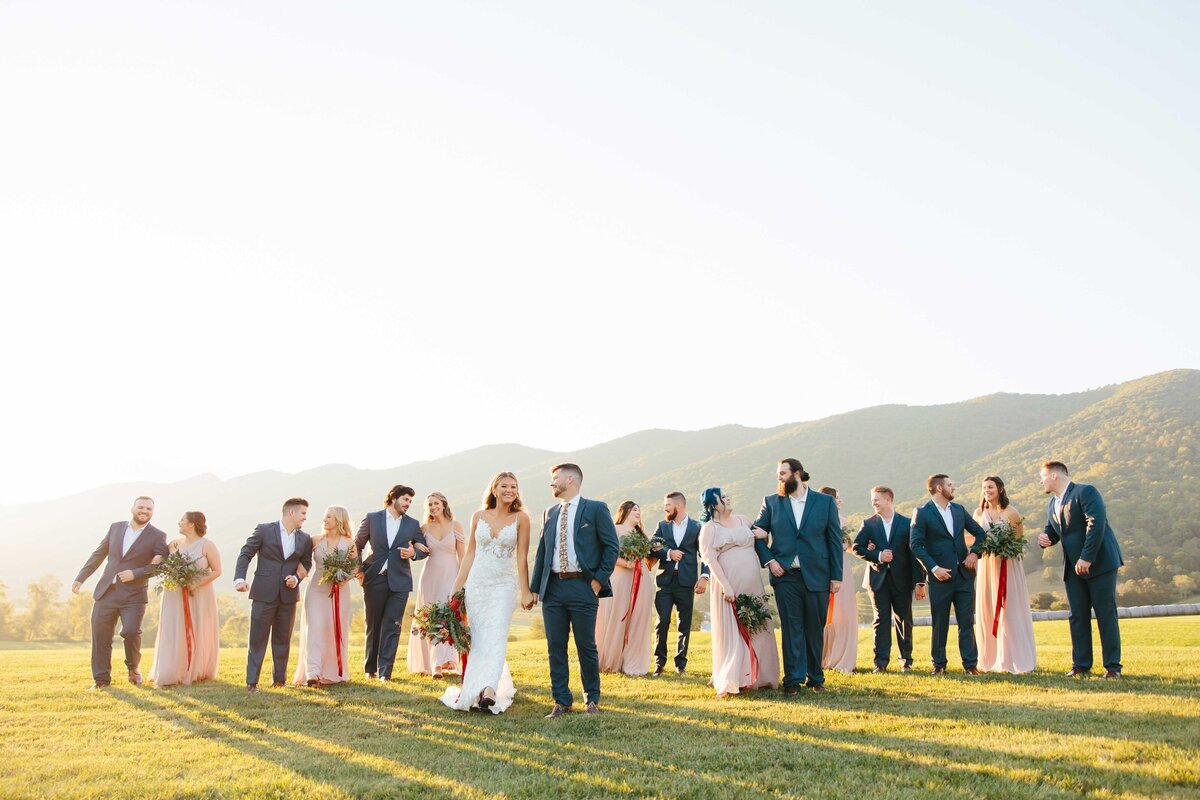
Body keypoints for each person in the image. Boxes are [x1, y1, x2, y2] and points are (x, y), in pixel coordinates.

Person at [527, 463, 619, 718]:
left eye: (554, 478)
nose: (551, 483)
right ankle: (562, 701)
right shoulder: (549, 512)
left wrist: (598, 580)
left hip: (583, 586)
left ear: (570, 479)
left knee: (585, 645)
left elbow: (612, 547)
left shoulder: (596, 509)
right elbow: (543, 552)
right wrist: (536, 588)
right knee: (555, 646)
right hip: (553, 587)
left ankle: (592, 699)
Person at [441, 473, 532, 713]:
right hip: (477, 585)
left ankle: (490, 688)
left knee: (497, 634)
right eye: (504, 486)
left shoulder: (521, 518)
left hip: (503, 585)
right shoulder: (478, 516)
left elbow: (522, 558)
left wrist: (526, 591)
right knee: (481, 639)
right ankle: (480, 688)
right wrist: (457, 587)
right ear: (494, 489)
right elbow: (469, 554)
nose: (509, 490)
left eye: (514, 486)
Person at [753, 459, 843, 694]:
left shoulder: (824, 502)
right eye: (778, 474)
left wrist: (837, 576)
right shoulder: (771, 502)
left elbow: (834, 540)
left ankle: (816, 678)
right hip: (785, 576)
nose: (779, 478)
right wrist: (771, 562)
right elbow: (757, 535)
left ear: (798, 474)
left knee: (815, 628)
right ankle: (792, 680)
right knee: (792, 628)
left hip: (818, 576)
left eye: (782, 473)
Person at [72, 496, 170, 690]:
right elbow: (99, 554)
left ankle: (133, 667)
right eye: (141, 507)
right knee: (101, 637)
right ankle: (101, 681)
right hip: (106, 592)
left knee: (131, 631)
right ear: (132, 508)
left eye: (149, 509)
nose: (144, 511)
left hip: (134, 596)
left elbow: (160, 566)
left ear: (153, 512)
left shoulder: (158, 535)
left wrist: (136, 573)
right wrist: (81, 577)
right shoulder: (115, 528)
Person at [1038, 461, 1124, 678]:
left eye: (1043, 477)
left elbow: (1096, 523)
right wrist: (1045, 539)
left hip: (1100, 563)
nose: (1041, 481)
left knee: (1105, 613)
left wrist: (1087, 557)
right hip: (1072, 568)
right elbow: (1055, 531)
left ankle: (1113, 667)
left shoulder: (1086, 491)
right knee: (1077, 616)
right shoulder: (1051, 504)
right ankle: (1081, 665)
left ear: (1055, 476)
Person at [697, 487, 780, 696]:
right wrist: (725, 585)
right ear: (713, 504)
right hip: (728, 583)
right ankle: (733, 677)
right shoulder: (709, 528)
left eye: (727, 495)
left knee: (759, 625)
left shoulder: (744, 519)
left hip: (752, 582)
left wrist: (765, 534)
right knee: (733, 628)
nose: (728, 498)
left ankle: (762, 676)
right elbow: (710, 559)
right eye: (723, 497)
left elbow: (761, 541)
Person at [234, 497, 315, 692]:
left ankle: (279, 680)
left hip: (288, 596)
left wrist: (296, 578)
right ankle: (251, 683)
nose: (305, 517)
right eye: (303, 513)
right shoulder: (264, 530)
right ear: (291, 512)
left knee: (282, 639)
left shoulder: (304, 538)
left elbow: (306, 563)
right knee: (257, 639)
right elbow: (246, 553)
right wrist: (239, 578)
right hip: (263, 593)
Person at [910, 474, 987, 675]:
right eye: (949, 485)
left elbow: (980, 534)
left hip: (964, 575)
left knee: (966, 621)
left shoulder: (959, 510)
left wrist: (975, 553)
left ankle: (971, 664)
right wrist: (934, 569)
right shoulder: (922, 513)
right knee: (940, 622)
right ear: (938, 488)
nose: (953, 488)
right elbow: (915, 545)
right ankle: (939, 664)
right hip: (939, 578)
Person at [355, 485, 428, 682]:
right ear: (393, 498)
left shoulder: (412, 524)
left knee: (393, 625)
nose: (408, 504)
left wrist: (414, 553)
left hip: (400, 582)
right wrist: (359, 570)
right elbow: (357, 544)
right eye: (405, 500)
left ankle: (385, 672)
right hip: (374, 578)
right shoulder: (372, 518)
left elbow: (423, 548)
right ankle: (370, 669)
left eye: (410, 502)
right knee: (373, 624)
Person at [852, 487, 925, 673]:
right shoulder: (868, 524)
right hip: (878, 581)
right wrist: (878, 555)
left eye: (876, 499)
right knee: (881, 620)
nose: (873, 503)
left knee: (904, 620)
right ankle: (881, 663)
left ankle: (906, 661)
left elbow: (914, 555)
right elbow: (857, 547)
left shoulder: (907, 523)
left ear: (888, 499)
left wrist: (920, 582)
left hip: (903, 580)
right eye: (872, 500)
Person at [148, 511, 221, 686]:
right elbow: (161, 563)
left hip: (199, 593)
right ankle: (172, 668)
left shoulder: (207, 545)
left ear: (191, 524)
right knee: (174, 628)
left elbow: (217, 571)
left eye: (182, 520)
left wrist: (196, 584)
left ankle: (197, 668)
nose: (178, 523)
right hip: (174, 593)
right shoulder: (173, 545)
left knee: (196, 627)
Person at [973, 476, 1036, 674]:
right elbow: (974, 538)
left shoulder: (1012, 513)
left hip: (1007, 565)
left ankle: (1014, 658)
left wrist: (1003, 548)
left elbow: (1018, 541)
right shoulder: (978, 513)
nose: (987, 491)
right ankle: (990, 658)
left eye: (990, 487)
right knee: (988, 608)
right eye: (984, 488)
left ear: (1000, 489)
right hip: (986, 565)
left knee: (1010, 611)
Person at [293, 505, 357, 685]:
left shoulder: (349, 543)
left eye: (328, 517)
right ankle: (313, 672)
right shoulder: (315, 540)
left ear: (339, 520)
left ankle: (332, 672)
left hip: (339, 591)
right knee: (315, 627)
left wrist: (343, 579)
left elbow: (354, 567)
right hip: (316, 590)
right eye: (325, 516)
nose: (325, 520)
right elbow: (303, 563)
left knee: (333, 628)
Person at [649, 492, 709, 676]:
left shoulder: (696, 527)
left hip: (687, 582)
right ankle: (659, 663)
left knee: (684, 624)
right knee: (663, 622)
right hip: (665, 582)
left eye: (667, 505)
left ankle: (680, 664)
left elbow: (704, 554)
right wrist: (669, 554)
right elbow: (652, 545)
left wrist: (704, 577)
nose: (664, 508)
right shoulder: (662, 525)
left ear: (679, 506)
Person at [407, 492, 466, 677]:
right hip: (430, 576)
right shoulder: (424, 528)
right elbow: (415, 548)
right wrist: (416, 548)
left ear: (444, 504)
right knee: (432, 617)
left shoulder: (456, 525)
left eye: (436, 503)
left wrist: (463, 580)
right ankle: (435, 664)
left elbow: (463, 556)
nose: (433, 507)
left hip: (451, 574)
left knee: (447, 614)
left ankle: (446, 661)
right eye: (430, 504)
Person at [595, 501, 655, 676]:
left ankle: (632, 662)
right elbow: (606, 555)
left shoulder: (641, 535)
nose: (638, 512)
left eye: (639, 509)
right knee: (616, 616)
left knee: (637, 618)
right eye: (634, 509)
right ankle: (610, 660)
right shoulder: (614, 529)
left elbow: (648, 559)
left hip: (640, 580)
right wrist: (626, 563)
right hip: (620, 579)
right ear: (625, 511)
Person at [818, 486, 857, 674]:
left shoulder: (843, 520)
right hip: (828, 568)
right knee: (829, 614)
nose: (840, 501)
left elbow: (848, 546)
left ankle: (843, 656)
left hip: (844, 568)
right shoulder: (820, 520)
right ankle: (826, 655)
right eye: (837, 498)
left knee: (845, 612)